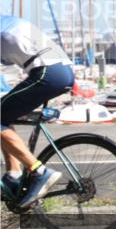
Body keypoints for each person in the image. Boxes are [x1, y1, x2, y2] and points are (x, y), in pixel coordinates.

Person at [0, 16, 75, 208]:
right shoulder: (7, 21)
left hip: (47, 73)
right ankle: (14, 173)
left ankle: (39, 172)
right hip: (61, 70)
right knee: (4, 114)